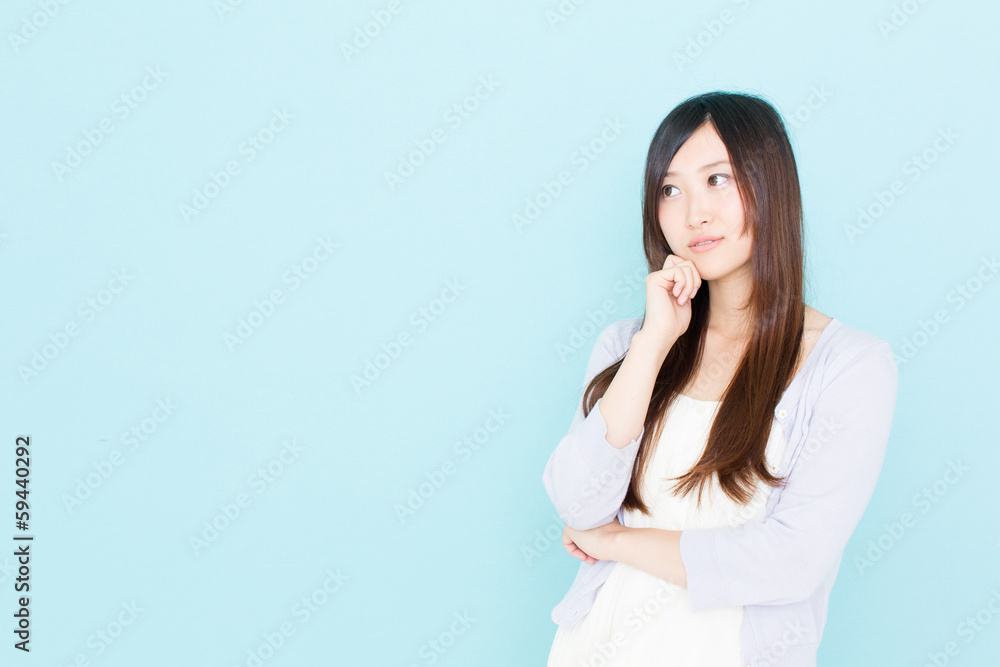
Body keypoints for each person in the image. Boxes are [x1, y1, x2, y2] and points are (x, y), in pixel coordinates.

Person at [541, 91, 899, 667]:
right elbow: (578, 502)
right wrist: (654, 342)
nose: (693, 215)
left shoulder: (851, 366)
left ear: (771, 187)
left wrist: (614, 541)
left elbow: (791, 561)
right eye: (670, 189)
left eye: (718, 180)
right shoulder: (627, 345)